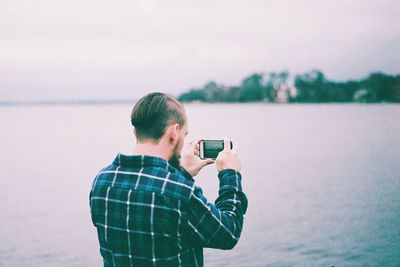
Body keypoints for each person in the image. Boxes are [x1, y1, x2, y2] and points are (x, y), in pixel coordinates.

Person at [89, 92, 248, 266]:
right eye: (185, 134)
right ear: (174, 132)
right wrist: (230, 174)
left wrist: (182, 173)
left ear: (135, 131)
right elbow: (228, 233)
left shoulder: (101, 181)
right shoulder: (182, 192)